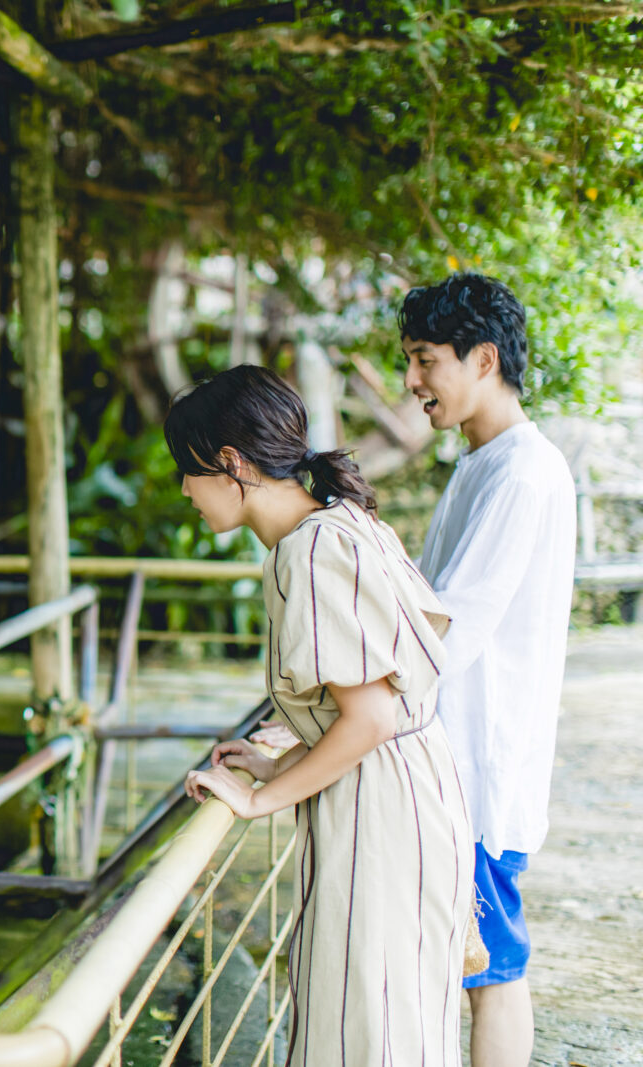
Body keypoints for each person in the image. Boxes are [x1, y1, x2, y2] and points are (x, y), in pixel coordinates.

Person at [169, 365, 474, 1067]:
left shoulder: (311, 550)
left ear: (230, 464)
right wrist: (284, 758)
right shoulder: (337, 524)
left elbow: (369, 717)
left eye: (188, 470)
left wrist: (258, 797)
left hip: (384, 809)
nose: (184, 489)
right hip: (404, 792)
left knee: (367, 1028)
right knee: (390, 1020)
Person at [401, 274, 576, 1067]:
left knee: (491, 969)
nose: (412, 382)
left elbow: (453, 628)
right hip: (455, 762)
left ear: (483, 359)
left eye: (424, 359)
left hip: (478, 770)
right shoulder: (481, 462)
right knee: (461, 961)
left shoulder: (520, 472)